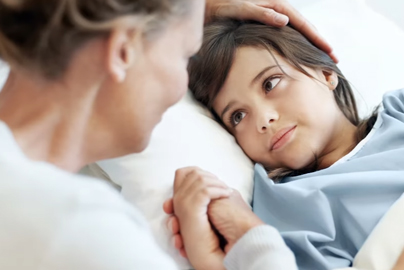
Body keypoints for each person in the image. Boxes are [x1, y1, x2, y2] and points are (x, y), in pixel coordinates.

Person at [0, 0, 336, 269]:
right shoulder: (80, 232)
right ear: (122, 52)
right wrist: (254, 244)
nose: (181, 92)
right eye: (184, 54)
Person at [164, 20, 404, 270]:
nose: (263, 119)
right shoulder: (287, 204)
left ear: (326, 73)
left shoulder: (399, 110)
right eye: (238, 116)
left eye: (270, 83)